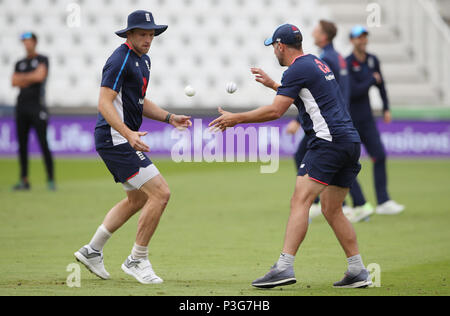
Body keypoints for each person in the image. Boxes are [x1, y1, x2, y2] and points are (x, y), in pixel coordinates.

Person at [210, 24, 372, 289]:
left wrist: (235, 118)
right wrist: (275, 84)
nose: (273, 51)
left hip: (328, 142)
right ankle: (357, 270)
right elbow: (308, 97)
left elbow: (275, 111)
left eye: (273, 46)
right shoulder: (314, 63)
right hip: (348, 141)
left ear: (280, 46)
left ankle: (283, 267)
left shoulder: (296, 69)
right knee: (332, 210)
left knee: (300, 200)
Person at [74, 10, 192, 285]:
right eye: (142, 34)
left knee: (137, 199)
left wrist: (169, 117)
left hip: (119, 138)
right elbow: (104, 102)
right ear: (129, 34)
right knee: (161, 193)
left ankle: (92, 251)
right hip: (114, 139)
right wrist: (128, 134)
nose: (148, 39)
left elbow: (138, 101)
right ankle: (137, 259)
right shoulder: (120, 59)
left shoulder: (143, 60)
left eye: (151, 34)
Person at [346, 25, 404, 215]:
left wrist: (386, 107)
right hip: (351, 120)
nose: (362, 40)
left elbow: (382, 86)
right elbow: (353, 92)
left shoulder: (372, 60)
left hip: (367, 119)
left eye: (364, 37)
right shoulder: (347, 63)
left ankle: (383, 201)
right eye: (358, 38)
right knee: (347, 163)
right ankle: (356, 203)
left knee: (379, 155)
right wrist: (371, 79)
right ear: (351, 41)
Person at [11, 32, 55, 191]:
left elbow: (40, 76)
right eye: (24, 42)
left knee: (43, 143)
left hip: (37, 106)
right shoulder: (19, 62)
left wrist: (23, 78)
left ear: (35, 42)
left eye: (29, 41)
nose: (26, 44)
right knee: (22, 145)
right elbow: (13, 81)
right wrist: (31, 76)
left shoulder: (43, 59)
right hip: (21, 107)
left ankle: (50, 179)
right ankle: (24, 180)